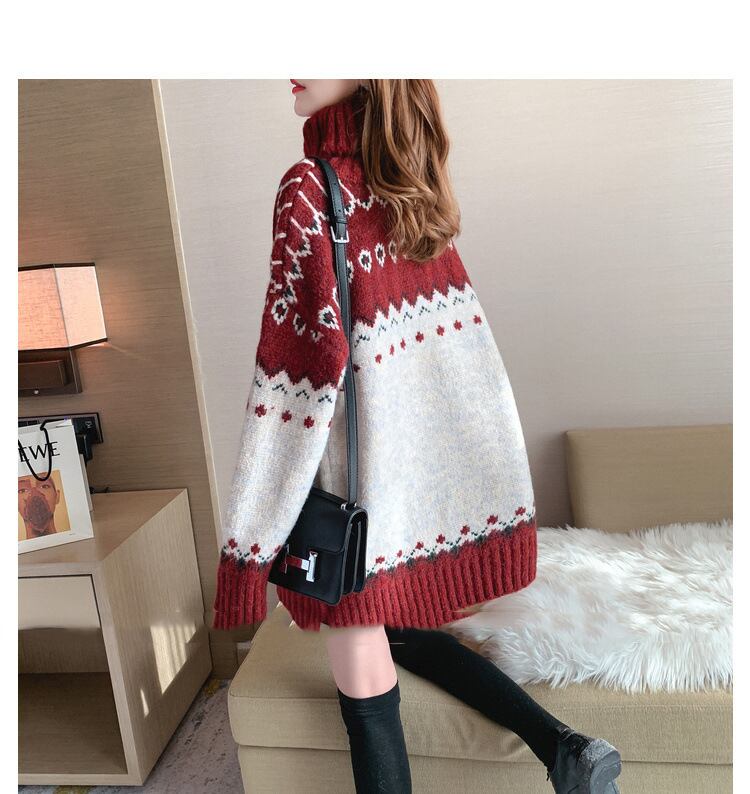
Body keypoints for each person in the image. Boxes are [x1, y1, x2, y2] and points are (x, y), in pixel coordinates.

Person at [213, 79, 622, 794]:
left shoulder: (309, 190)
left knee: (357, 636)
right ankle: (568, 750)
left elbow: (292, 388)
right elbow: (458, 354)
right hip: (407, 488)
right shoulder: (410, 183)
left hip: (355, 496)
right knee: (392, 626)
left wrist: (247, 550)